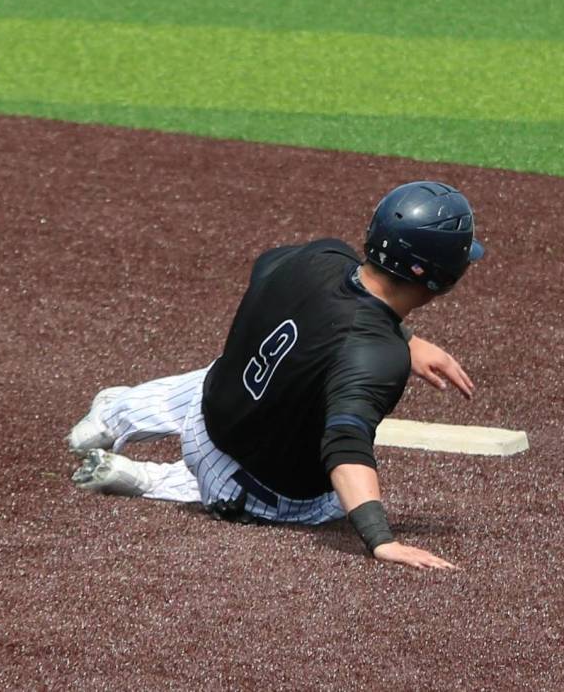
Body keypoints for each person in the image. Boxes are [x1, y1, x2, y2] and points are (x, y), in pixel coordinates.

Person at [68, 180, 485, 570]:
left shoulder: (322, 257)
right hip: (241, 488)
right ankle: (149, 478)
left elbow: (270, 270)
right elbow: (344, 445)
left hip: (204, 410)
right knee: (328, 503)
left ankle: (114, 414)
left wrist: (404, 338)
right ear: (440, 276)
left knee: (240, 366)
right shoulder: (378, 356)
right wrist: (381, 540)